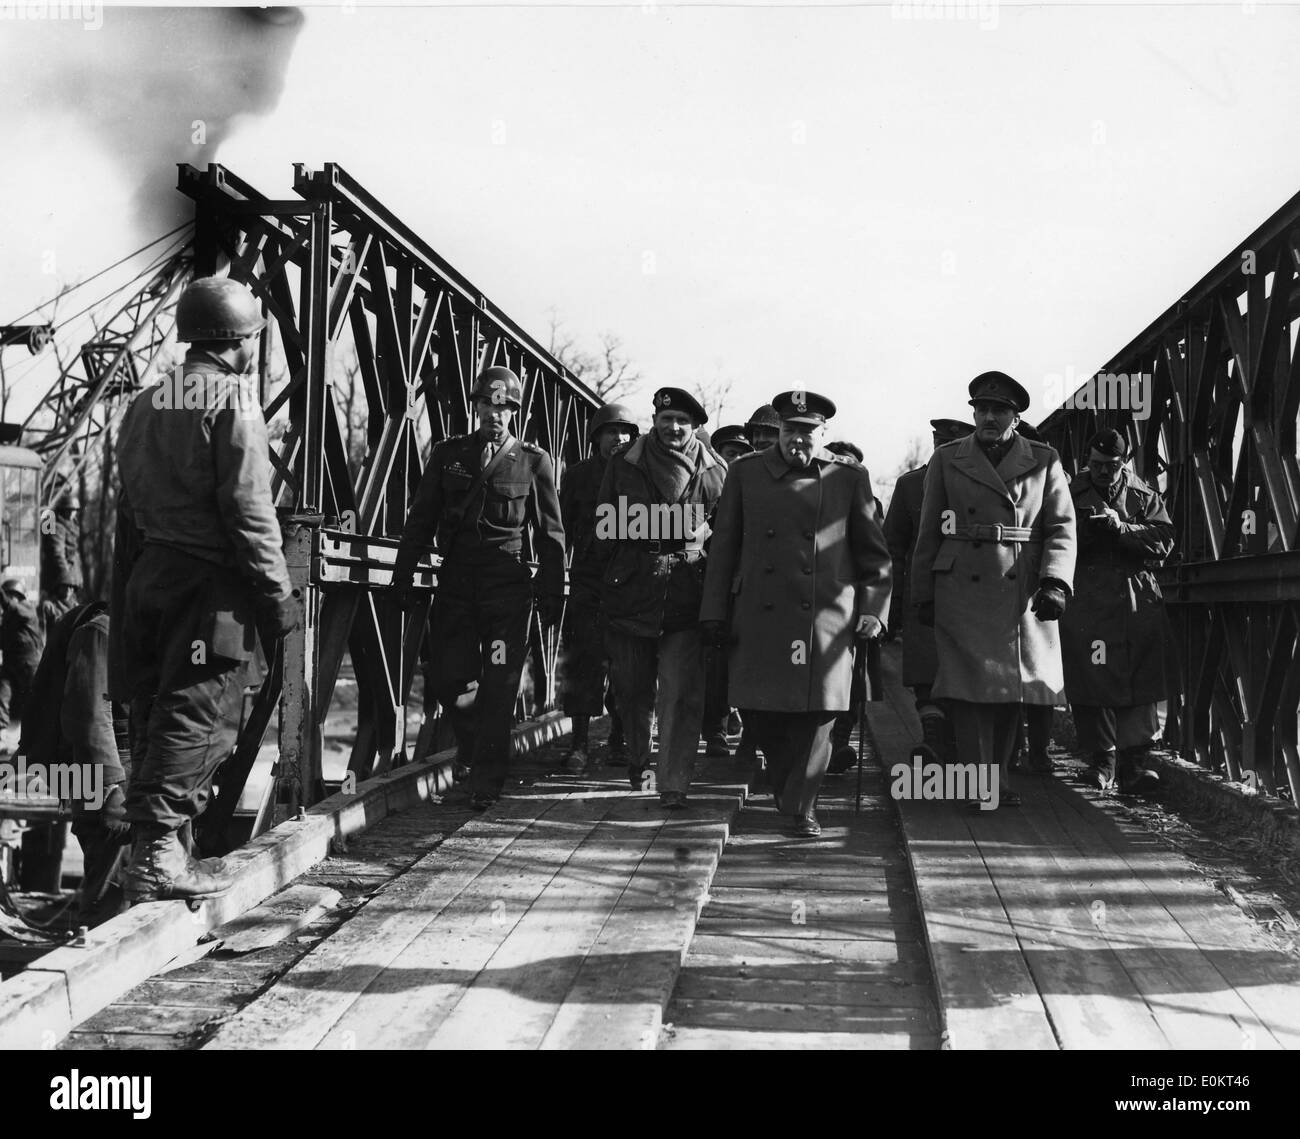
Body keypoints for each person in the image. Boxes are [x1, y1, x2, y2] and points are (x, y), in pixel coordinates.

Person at [108, 275, 298, 904]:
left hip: (151, 576)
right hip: (208, 588)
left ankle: (159, 851)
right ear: (239, 341)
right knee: (197, 716)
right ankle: (160, 858)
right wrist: (277, 598)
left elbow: (128, 507)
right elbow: (250, 510)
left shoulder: (145, 401)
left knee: (155, 710)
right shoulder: (233, 399)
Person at [701, 391, 892, 835]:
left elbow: (876, 558)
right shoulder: (746, 473)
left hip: (826, 619)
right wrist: (714, 611)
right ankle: (791, 791)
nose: (797, 441)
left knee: (819, 714)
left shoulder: (847, 478)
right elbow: (724, 547)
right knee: (762, 711)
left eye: (807, 432)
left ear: (823, 434)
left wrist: (875, 612)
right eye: (790, 431)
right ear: (780, 432)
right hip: (760, 614)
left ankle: (801, 806)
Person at [392, 366, 565, 810]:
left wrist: (550, 594)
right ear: (476, 406)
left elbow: (550, 535)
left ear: (515, 411)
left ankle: (487, 779)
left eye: (504, 406)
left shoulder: (533, 461)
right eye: (488, 404)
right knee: (450, 678)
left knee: (500, 683)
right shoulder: (450, 455)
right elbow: (421, 517)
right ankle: (472, 747)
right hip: (456, 585)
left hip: (506, 589)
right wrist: (403, 574)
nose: (495, 413)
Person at [910, 372, 1076, 809]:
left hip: (1018, 585)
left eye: (998, 411)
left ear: (1016, 418)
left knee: (1010, 691)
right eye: (981, 409)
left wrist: (1055, 581)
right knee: (968, 692)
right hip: (961, 583)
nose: (987, 417)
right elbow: (929, 531)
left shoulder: (1044, 459)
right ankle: (980, 783)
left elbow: (1060, 526)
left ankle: (997, 776)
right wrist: (923, 591)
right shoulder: (948, 458)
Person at [597, 387, 727, 809]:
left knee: (681, 693)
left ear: (696, 428)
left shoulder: (715, 472)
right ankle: (640, 763)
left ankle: (673, 784)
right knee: (632, 691)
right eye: (666, 419)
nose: (674, 428)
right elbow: (605, 524)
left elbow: (725, 536)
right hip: (632, 589)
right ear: (654, 421)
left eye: (683, 422)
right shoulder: (624, 463)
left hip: (687, 594)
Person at [1060, 428, 1175, 793]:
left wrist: (1121, 528)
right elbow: (1053, 535)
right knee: (1090, 679)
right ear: (1086, 462)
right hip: (1089, 600)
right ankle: (1101, 761)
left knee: (1139, 680)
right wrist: (1089, 530)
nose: (1103, 473)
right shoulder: (1068, 494)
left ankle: (1134, 765)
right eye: (1095, 465)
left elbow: (1165, 541)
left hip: (1135, 599)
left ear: (1123, 463)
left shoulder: (1144, 496)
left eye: (1110, 466)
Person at [20, 600, 128, 922]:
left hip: (99, 775)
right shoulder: (102, 630)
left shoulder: (121, 629)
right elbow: (88, 717)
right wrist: (111, 789)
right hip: (102, 780)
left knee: (123, 888)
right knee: (111, 894)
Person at [882, 418, 972, 764]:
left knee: (963, 674)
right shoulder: (910, 485)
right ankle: (934, 742)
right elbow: (894, 546)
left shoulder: (979, 482)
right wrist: (895, 602)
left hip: (970, 595)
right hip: (925, 592)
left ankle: (954, 745)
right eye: (939, 443)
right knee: (925, 673)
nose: (943, 450)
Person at [558, 402, 637, 774]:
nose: (618, 439)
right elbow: (560, 529)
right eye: (610, 432)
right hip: (588, 582)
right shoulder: (577, 476)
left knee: (626, 663)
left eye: (625, 432)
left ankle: (618, 739)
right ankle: (578, 744)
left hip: (628, 583)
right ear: (596, 438)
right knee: (583, 662)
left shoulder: (640, 476)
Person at [698, 424, 753, 758]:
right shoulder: (708, 485)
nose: (735, 460)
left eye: (741, 454)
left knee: (745, 657)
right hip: (708, 580)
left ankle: (744, 723)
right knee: (713, 660)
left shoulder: (754, 489)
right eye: (728, 454)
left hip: (746, 586)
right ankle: (715, 729)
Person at [0, 578, 43, 736]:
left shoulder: (27, 610)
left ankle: (36, 736)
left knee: (33, 701)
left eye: (12, 595)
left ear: (19, 597)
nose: (9, 599)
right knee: (2, 692)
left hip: (29, 663)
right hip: (11, 662)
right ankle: (2, 731)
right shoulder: (8, 618)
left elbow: (11, 607)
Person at [40, 483, 83, 624]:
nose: (71, 513)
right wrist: (67, 580)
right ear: (62, 510)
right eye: (68, 510)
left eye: (74, 510)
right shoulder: (57, 527)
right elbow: (57, 553)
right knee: (61, 615)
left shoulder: (73, 526)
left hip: (70, 578)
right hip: (62, 580)